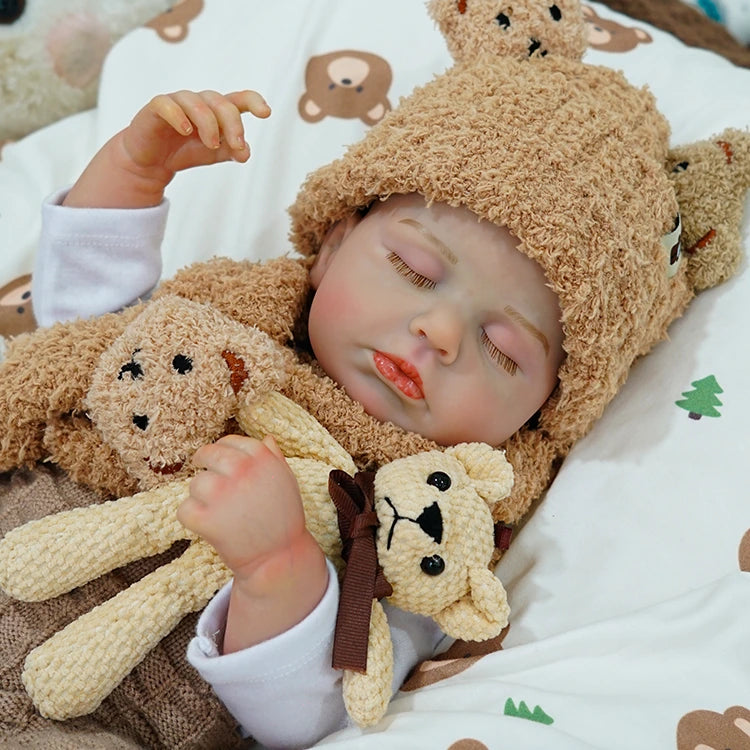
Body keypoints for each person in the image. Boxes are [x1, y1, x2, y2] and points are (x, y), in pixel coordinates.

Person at [27, 7, 709, 744]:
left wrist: (278, 564)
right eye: (413, 269)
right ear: (331, 241)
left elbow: (314, 709)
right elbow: (80, 339)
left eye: (505, 348)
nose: (440, 332)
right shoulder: (230, 324)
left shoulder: (426, 521)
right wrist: (133, 171)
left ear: (543, 412)